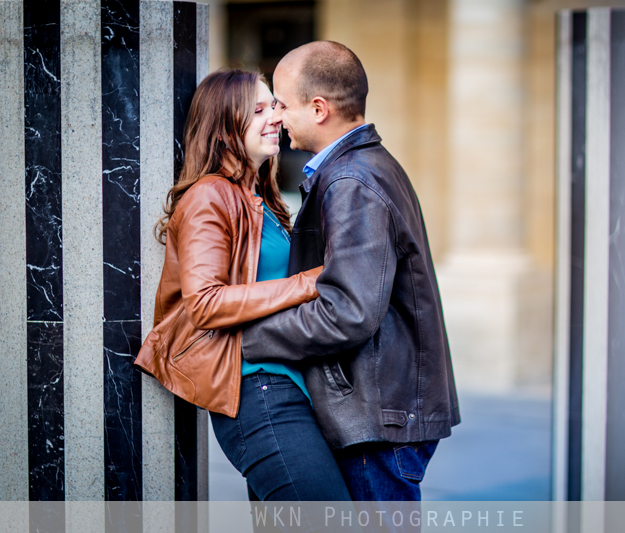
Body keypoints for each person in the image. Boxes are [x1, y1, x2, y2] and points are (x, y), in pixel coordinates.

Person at [241, 41, 461, 502]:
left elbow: (347, 312)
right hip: (380, 412)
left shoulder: (352, 180)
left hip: (376, 420)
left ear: (318, 109)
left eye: (282, 103)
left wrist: (244, 341)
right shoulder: (361, 168)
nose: (276, 116)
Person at [133, 70, 352, 507]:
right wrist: (308, 282)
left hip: (288, 388)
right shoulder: (209, 196)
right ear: (223, 128)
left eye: (275, 106)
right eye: (258, 110)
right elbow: (205, 303)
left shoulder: (260, 200)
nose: (276, 117)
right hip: (258, 393)